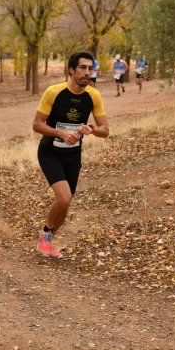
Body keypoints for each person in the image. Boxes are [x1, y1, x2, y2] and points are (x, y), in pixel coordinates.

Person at [33, 51, 109, 258]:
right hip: (50, 151)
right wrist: (61, 133)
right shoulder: (53, 92)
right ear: (71, 70)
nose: (87, 73)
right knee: (64, 198)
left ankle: (48, 241)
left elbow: (105, 130)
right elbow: (37, 125)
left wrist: (91, 129)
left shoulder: (93, 95)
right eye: (83, 68)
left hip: (73, 155)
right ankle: (46, 234)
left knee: (66, 202)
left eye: (90, 69)